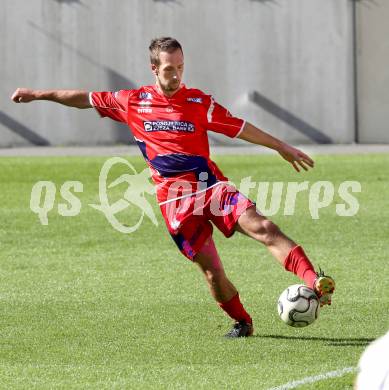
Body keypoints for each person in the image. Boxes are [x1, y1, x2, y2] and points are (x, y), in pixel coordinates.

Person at [11, 37, 335, 338]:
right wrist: (39, 94)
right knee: (213, 274)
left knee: (264, 227)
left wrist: (280, 146)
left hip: (211, 189)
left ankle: (314, 282)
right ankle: (242, 321)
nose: (176, 75)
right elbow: (84, 98)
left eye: (180, 67)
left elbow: (240, 127)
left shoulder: (198, 101)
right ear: (154, 69)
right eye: (169, 69)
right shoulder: (132, 101)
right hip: (175, 205)